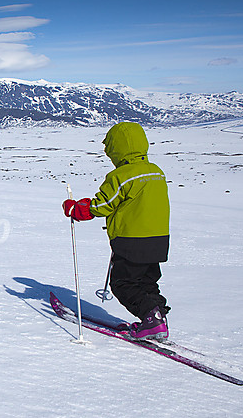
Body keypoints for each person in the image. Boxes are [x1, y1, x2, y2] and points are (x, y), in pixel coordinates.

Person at [63, 121, 171, 340]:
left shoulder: (123, 175)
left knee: (124, 283)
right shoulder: (156, 172)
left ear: (116, 148)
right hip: (158, 239)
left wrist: (77, 209)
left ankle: (152, 319)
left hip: (132, 239)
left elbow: (104, 204)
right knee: (147, 281)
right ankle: (156, 318)